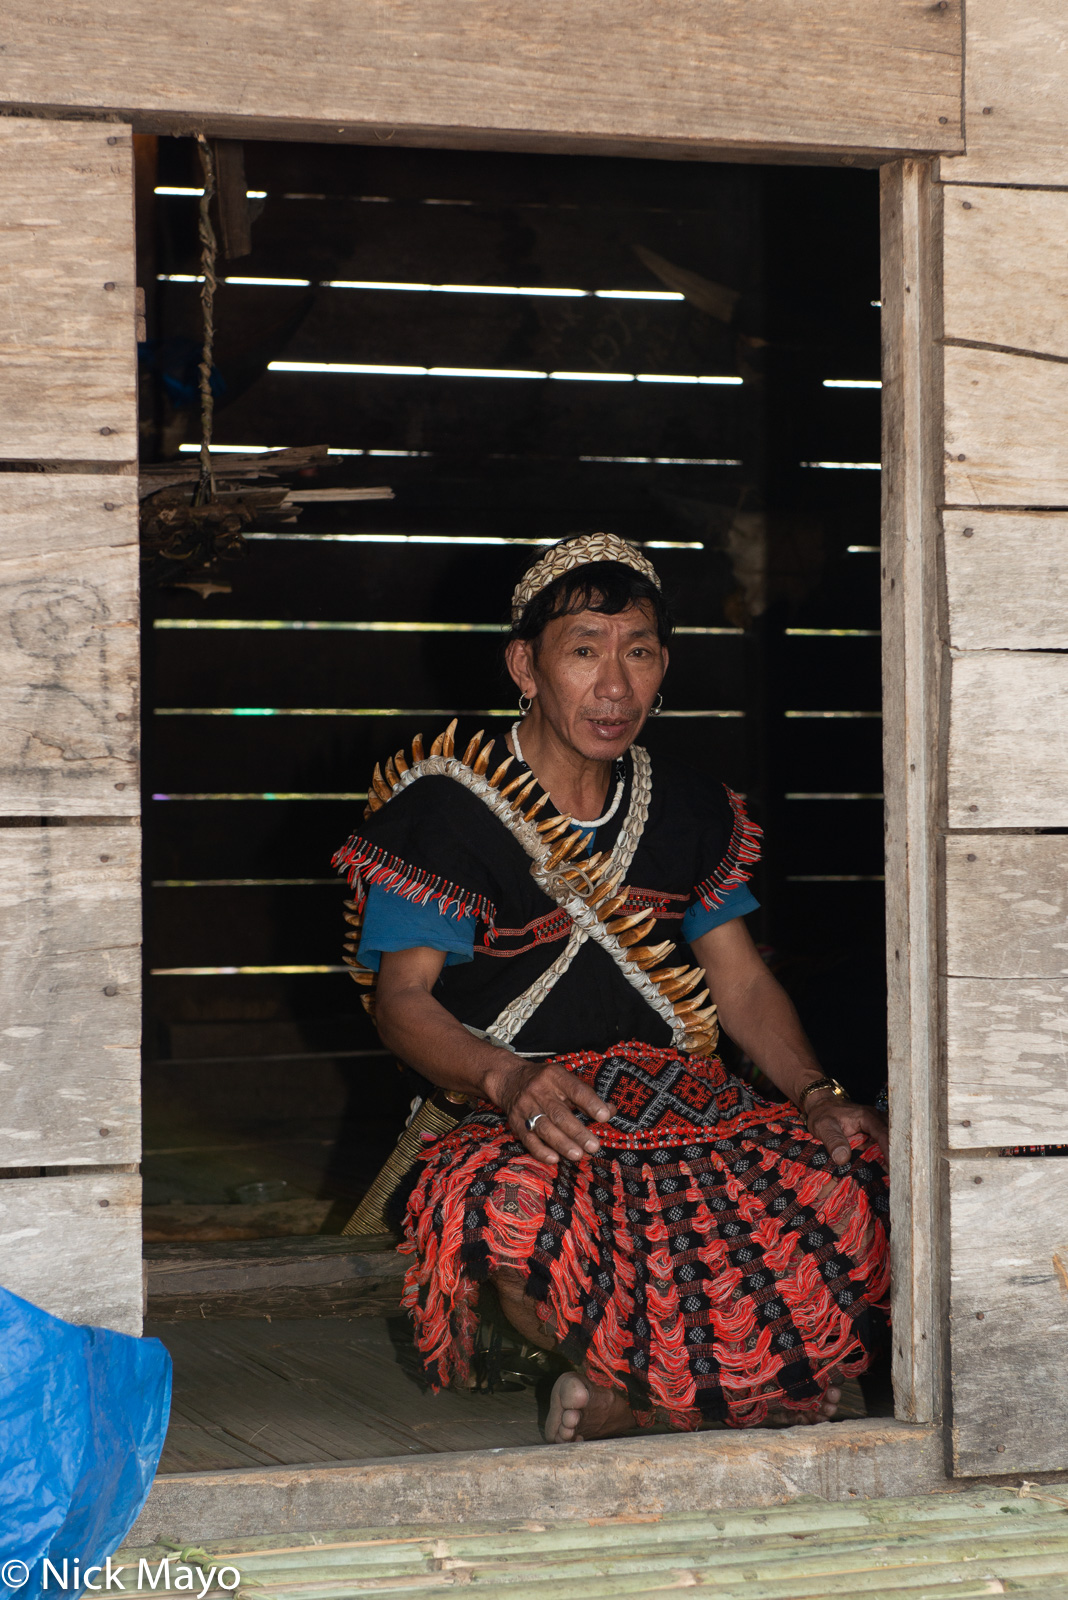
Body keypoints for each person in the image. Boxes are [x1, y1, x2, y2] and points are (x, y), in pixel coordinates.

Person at [333, 532, 890, 1442]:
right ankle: (683, 1385)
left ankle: (677, 1387)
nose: (615, 687)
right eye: (584, 652)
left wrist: (818, 1096)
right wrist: (508, 1081)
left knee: (832, 1183)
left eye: (637, 653)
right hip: (515, 1101)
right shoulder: (445, 814)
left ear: (663, 664)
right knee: (526, 1211)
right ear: (526, 665)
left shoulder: (689, 807)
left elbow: (742, 985)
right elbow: (403, 1004)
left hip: (680, 1098)